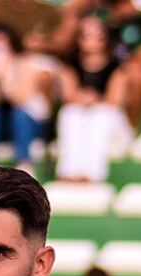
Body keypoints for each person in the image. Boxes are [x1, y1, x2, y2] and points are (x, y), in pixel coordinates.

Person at [54, 17, 130, 183]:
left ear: (106, 39)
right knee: (71, 113)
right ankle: (68, 171)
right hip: (81, 115)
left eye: (97, 36)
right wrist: (82, 99)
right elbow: (68, 96)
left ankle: (93, 174)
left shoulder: (117, 67)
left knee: (101, 116)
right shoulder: (69, 65)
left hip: (109, 119)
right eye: (86, 35)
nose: (91, 41)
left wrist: (94, 100)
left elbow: (114, 101)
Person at [0, 30, 57, 171]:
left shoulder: (24, 64)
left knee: (19, 114)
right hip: (3, 124)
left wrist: (5, 75)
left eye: (2, 48)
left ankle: (25, 163)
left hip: (29, 123)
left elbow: (21, 100)